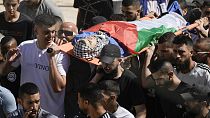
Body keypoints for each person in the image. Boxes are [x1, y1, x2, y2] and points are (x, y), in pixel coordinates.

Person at [0, 14, 70, 117]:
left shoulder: (61, 54)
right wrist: (8, 62)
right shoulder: (25, 47)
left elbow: (58, 87)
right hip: (26, 113)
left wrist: (51, 58)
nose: (51, 36)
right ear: (36, 30)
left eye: (53, 32)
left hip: (52, 114)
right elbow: (3, 72)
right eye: (46, 32)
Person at [91, 44, 146, 118]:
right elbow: (86, 96)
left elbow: (141, 111)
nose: (106, 66)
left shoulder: (131, 80)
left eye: (110, 62)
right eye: (103, 62)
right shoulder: (99, 74)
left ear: (119, 60)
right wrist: (97, 77)